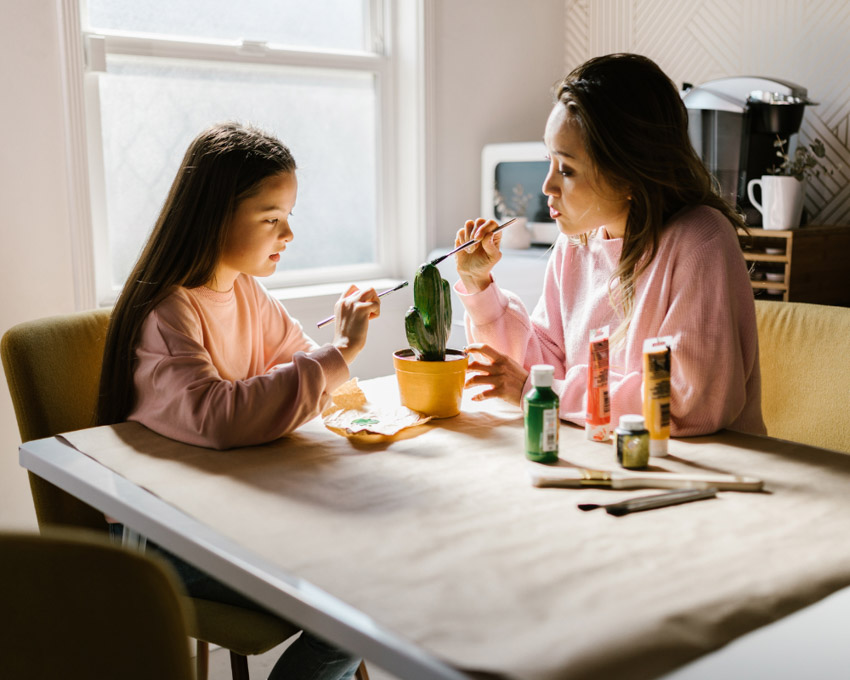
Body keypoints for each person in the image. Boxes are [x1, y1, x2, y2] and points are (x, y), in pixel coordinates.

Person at [97, 122, 379, 679]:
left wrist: (340, 387)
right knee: (352, 612)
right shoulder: (168, 313)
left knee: (367, 575)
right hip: (162, 537)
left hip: (226, 512)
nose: (288, 235)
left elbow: (305, 370)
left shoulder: (247, 291)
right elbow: (219, 416)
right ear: (214, 215)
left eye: (289, 217)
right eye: (271, 219)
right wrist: (341, 351)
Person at [454, 53, 766, 437]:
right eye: (548, 161)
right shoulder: (577, 244)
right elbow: (541, 366)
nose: (546, 187)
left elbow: (688, 403)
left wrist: (542, 392)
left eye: (566, 169)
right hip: (605, 460)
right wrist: (482, 288)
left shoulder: (700, 240)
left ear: (629, 172)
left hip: (706, 476)